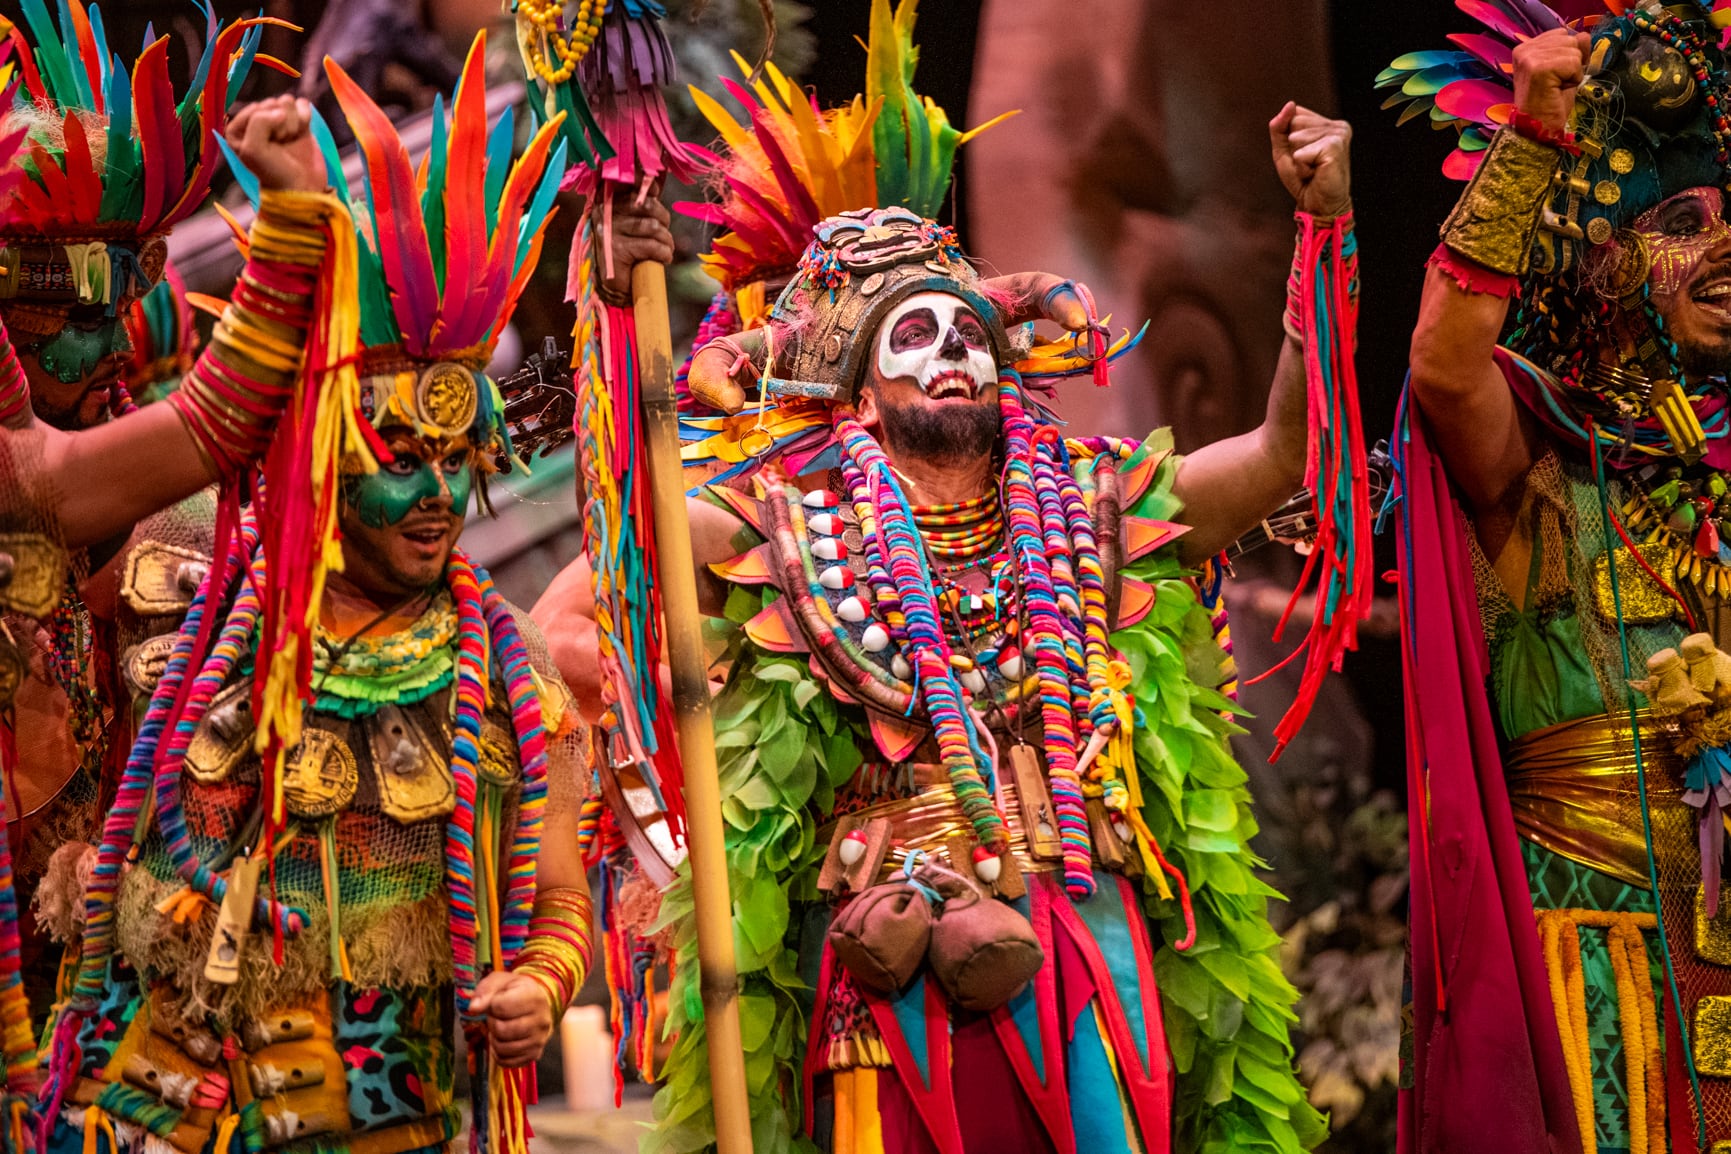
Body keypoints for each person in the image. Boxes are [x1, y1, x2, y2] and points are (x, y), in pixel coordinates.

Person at [534, 9, 1357, 1147]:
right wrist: (618, 310)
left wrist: (1324, 240)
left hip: (1089, 930)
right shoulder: (785, 522)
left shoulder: (1098, 500)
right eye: (910, 336)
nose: (950, 350)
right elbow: (627, 552)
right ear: (860, 397)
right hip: (887, 949)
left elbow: (1283, 455)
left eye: (966, 330)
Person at [30, 32, 594, 1154]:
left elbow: (562, 903)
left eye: (455, 461)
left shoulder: (507, 674)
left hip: (384, 1095)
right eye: (398, 456)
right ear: (319, 464)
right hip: (165, 1080)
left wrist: (541, 979)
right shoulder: (178, 579)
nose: (437, 494)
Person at [1388, 1, 1731, 1150]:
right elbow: (1444, 361)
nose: (1725, 245)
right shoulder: (1544, 454)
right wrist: (1536, 135)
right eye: (1682, 221)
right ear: (1606, 263)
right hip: (1589, 950)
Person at [0, 2, 363, 1024]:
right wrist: (289, 231)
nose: (109, 347)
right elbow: (206, 421)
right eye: (67, 317)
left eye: (115, 310)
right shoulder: (37, 468)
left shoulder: (187, 528)